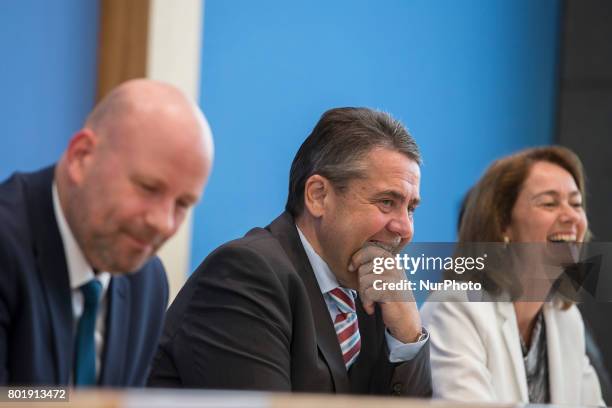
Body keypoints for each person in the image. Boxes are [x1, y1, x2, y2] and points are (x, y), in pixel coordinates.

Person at [148, 107, 432, 395]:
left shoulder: (373, 291)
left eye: (410, 209)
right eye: (386, 202)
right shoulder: (245, 274)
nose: (404, 228)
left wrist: (408, 336)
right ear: (318, 195)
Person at [0, 79, 214, 386]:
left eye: (182, 204)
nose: (164, 223)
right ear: (82, 156)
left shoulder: (148, 282)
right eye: (148, 188)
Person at [420, 146, 604, 405]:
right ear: (503, 223)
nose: (572, 216)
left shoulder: (566, 318)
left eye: (576, 203)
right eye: (549, 203)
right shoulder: (455, 308)